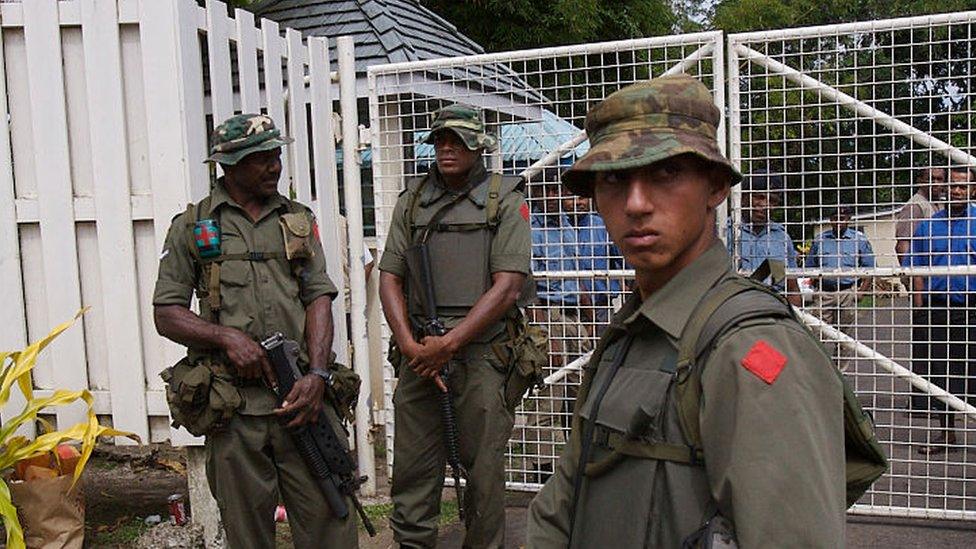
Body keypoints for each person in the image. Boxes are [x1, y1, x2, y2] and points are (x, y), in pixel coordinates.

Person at [526, 75, 846, 547]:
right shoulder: (632, 332)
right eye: (614, 178)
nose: (636, 204)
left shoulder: (750, 348)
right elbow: (562, 504)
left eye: (665, 173)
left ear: (715, 187)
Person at [153, 114, 358, 548]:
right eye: (260, 158)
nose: (273, 166)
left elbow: (319, 297)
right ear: (227, 165)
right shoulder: (193, 226)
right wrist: (225, 337)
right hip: (235, 408)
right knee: (247, 533)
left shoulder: (296, 220)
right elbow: (167, 312)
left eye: (276, 155)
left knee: (331, 522)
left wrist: (318, 376)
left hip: (302, 397)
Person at [378, 104, 532, 548]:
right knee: (412, 471)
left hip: (481, 353)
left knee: (483, 475)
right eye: (441, 139)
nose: (448, 147)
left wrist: (449, 344)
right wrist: (410, 345)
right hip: (420, 354)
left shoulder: (505, 199)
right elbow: (389, 276)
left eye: (459, 140)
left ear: (478, 145)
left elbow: (507, 287)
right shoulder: (412, 201)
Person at [906, 166, 976, 455]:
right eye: (952, 186)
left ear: (973, 190)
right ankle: (947, 433)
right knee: (940, 374)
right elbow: (916, 268)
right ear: (943, 189)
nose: (956, 191)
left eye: (963, 186)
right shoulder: (929, 225)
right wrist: (921, 310)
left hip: (971, 307)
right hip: (937, 308)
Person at [896, 167, 946, 413]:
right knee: (926, 345)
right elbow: (904, 247)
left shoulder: (938, 205)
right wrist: (917, 288)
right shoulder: (916, 206)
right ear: (920, 181)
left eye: (940, 180)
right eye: (932, 179)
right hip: (924, 288)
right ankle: (922, 402)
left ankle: (939, 399)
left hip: (939, 287)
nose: (937, 184)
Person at [805, 206, 876, 371]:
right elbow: (809, 266)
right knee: (818, 334)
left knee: (844, 338)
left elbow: (870, 269)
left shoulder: (859, 240)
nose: (838, 222)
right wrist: (816, 287)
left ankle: (840, 376)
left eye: (842, 218)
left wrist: (861, 292)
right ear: (830, 220)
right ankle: (818, 373)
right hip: (825, 293)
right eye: (835, 218)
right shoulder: (820, 240)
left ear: (849, 219)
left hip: (847, 292)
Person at [728, 170, 803, 304]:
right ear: (744, 198)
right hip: (733, 310)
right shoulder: (725, 232)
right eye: (759, 197)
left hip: (772, 313)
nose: (765, 205)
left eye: (772, 201)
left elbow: (792, 289)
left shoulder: (781, 238)